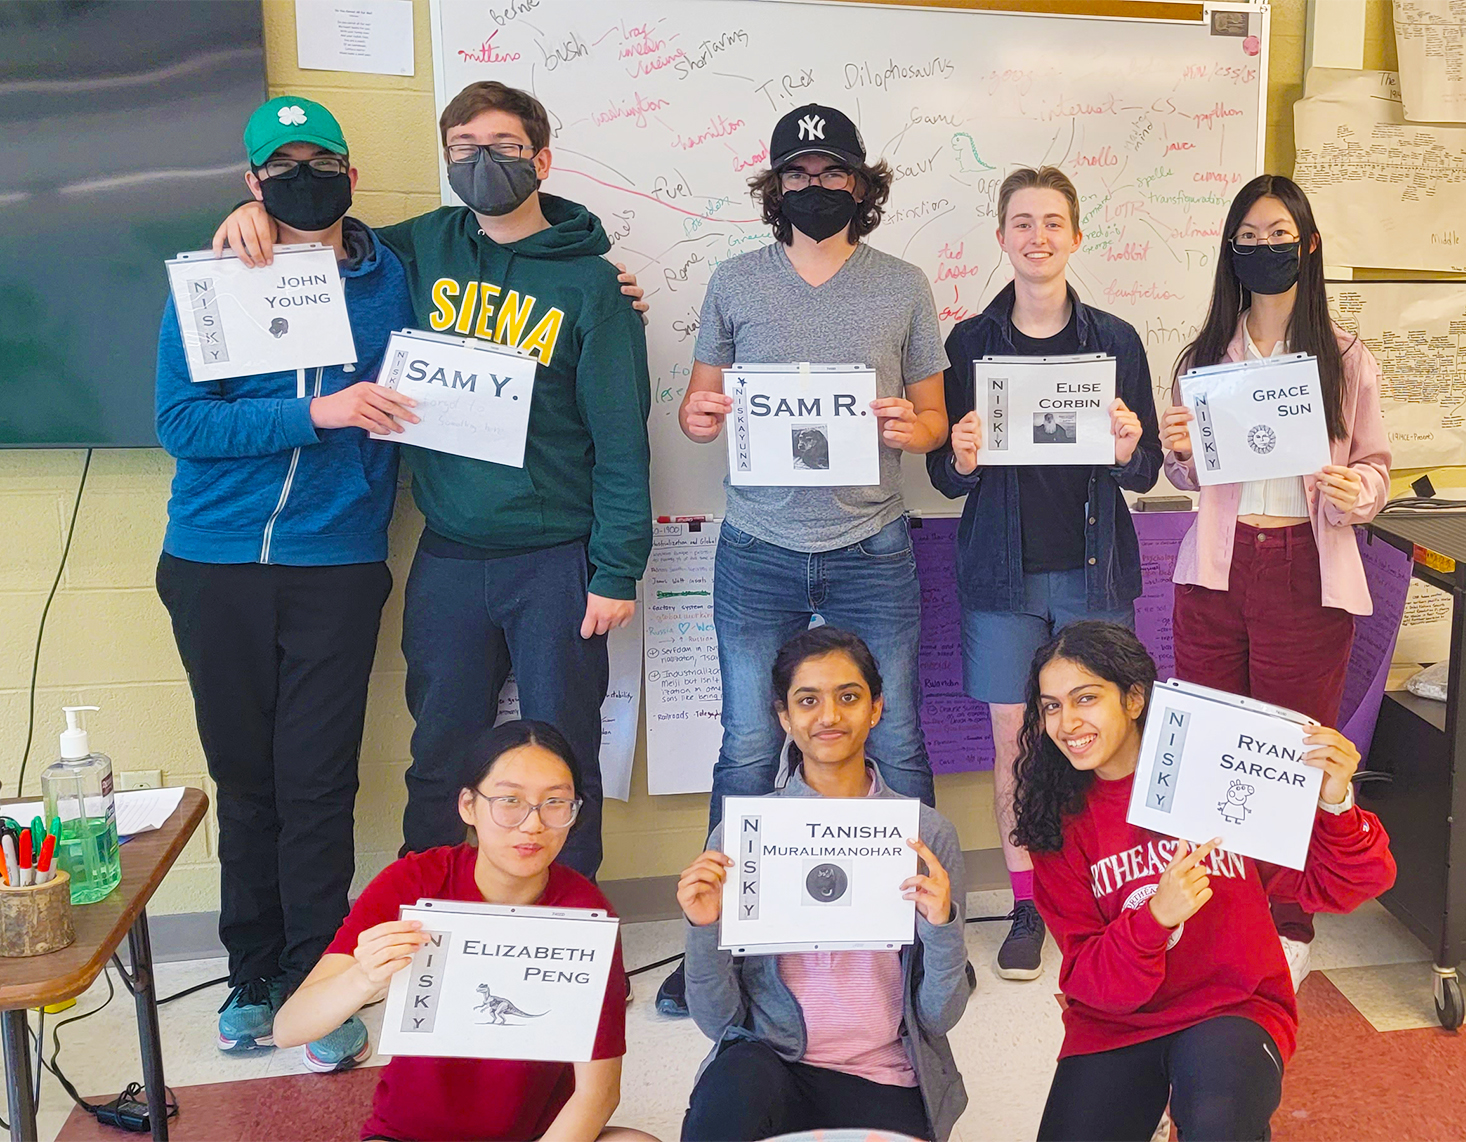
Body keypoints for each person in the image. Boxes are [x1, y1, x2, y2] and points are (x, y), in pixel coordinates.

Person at [212, 81, 653, 880]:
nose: (483, 162)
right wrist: (253, 218)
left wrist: (617, 567)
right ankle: (433, 936)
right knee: (441, 759)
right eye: (465, 149)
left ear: (542, 159)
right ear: (446, 160)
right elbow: (323, 238)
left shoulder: (591, 284)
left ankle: (569, 944)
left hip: (559, 561)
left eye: (505, 148)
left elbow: (623, 441)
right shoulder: (417, 247)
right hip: (448, 555)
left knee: (559, 764)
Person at [661, 103, 950, 1015]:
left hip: (872, 545)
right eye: (799, 174)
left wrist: (915, 423)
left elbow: (935, 419)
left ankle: (912, 938)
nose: (815, 189)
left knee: (895, 738)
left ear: (862, 187)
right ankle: (720, 945)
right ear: (773, 186)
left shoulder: (902, 285)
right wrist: (699, 417)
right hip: (759, 548)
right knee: (749, 745)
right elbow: (701, 406)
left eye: (833, 175)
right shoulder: (735, 281)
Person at [155, 95, 418, 1061]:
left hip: (337, 566)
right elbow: (183, 426)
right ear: (252, 183)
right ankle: (252, 973)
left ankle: (321, 980)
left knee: (318, 783)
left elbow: (506, 264)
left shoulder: (396, 274)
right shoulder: (213, 281)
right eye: (281, 165)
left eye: (321, 159)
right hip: (213, 566)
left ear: (350, 170)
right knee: (248, 783)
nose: (302, 176)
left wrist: (617, 285)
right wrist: (321, 414)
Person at [1013, 622, 1395, 1142]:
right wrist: (1153, 920)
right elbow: (1088, 980)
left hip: (1232, 1006)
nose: (1067, 722)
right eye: (1051, 705)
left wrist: (1335, 801)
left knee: (1220, 1122)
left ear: (1133, 699)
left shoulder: (1219, 776)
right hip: (1116, 1024)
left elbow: (1351, 883)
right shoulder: (1055, 822)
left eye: (1086, 698)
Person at [1157, 174, 1391, 988]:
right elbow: (1187, 480)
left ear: (1309, 243)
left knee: (1291, 752)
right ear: (1231, 249)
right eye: (1249, 237)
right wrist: (1178, 449)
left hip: (1305, 568)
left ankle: (1285, 920)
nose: (1265, 248)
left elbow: (1376, 471)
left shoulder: (1346, 358)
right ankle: (1218, 907)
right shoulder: (1201, 357)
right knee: (1217, 752)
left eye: (1278, 233)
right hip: (1217, 572)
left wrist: (1355, 491)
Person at [927, 167, 1159, 983]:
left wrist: (1131, 445)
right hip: (1002, 575)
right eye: (1022, 223)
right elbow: (946, 480)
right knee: (1016, 748)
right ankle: (1029, 903)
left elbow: (1146, 471)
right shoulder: (969, 345)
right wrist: (957, 456)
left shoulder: (1117, 341)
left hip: (1094, 578)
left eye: (1053, 222)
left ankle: (1107, 888)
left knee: (1105, 740)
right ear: (1001, 238)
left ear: (1076, 236)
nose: (1038, 238)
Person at [273, 720, 653, 1142]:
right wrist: (362, 979)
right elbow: (289, 1028)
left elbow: (597, 1096)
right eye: (509, 800)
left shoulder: (586, 913)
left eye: (555, 803)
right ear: (468, 806)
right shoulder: (414, 883)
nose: (532, 824)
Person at [675, 627, 970, 1142]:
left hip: (886, 1075)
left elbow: (937, 1017)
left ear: (876, 709)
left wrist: (943, 927)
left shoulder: (925, 834)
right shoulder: (747, 832)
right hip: (772, 1064)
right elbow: (719, 1021)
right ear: (784, 718)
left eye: (849, 697)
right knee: (729, 1093)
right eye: (808, 700)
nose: (829, 716)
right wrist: (704, 928)